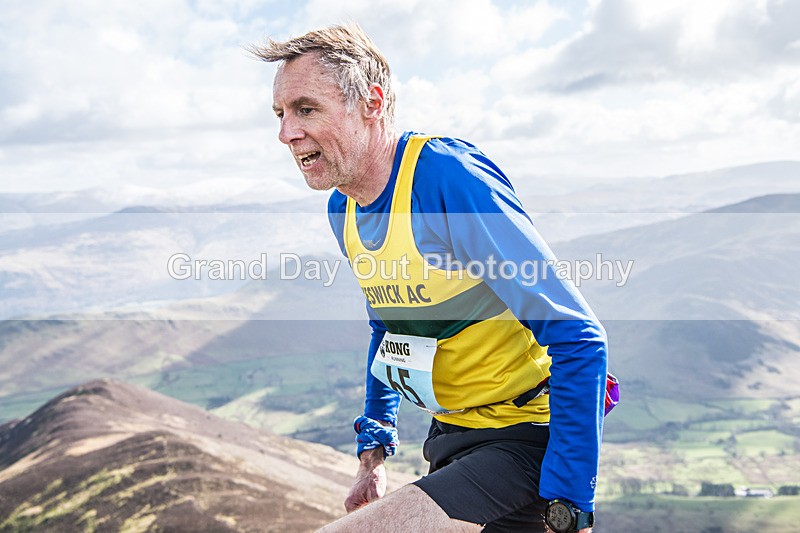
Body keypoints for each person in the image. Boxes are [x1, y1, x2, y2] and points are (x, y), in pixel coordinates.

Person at [252, 23, 612, 533]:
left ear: (371, 103)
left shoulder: (445, 179)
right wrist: (372, 455)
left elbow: (579, 335)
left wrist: (569, 505)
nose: (286, 132)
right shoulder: (344, 208)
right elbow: (388, 329)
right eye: (281, 114)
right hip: (450, 442)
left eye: (306, 109)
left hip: (523, 441)